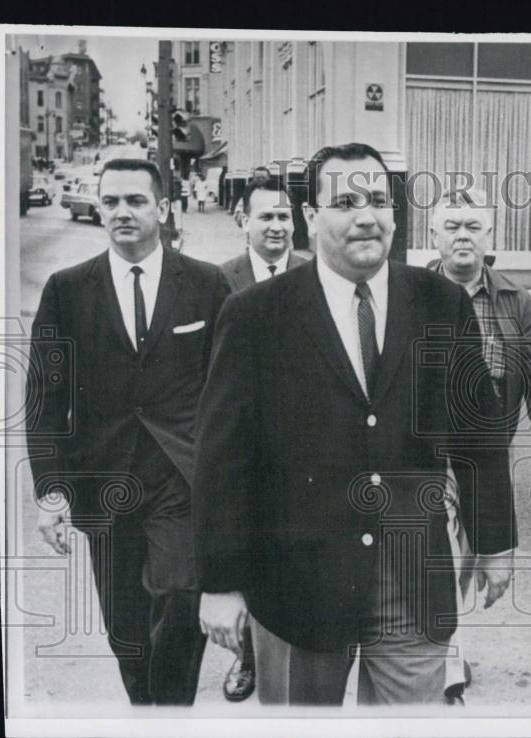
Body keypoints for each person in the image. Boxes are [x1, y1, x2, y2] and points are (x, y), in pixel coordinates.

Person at [192, 142, 516, 706]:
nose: (366, 215)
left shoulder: (441, 303)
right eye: (345, 201)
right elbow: (223, 457)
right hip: (296, 583)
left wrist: (494, 543)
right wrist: (220, 580)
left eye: (379, 200)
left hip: (410, 576)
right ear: (311, 218)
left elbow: (478, 436)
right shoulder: (255, 316)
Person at [26, 158, 230, 704]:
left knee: (181, 594)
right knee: (125, 625)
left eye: (135, 200)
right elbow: (46, 396)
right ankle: (147, 707)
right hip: (104, 480)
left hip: (180, 479)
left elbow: (229, 392)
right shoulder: (67, 290)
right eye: (110, 201)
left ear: (163, 209)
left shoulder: (207, 285)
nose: (121, 212)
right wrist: (50, 491)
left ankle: (168, 712)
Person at [427, 185, 531, 703]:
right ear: (432, 236)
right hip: (425, 452)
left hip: (486, 449)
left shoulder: (514, 300)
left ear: (491, 236)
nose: (463, 235)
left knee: (470, 557)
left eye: (473, 226)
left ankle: (443, 643)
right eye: (452, 226)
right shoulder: (411, 291)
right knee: (436, 548)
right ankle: (444, 657)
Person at [215, 175, 308, 702]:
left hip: (303, 448)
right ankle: (247, 659)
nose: (275, 225)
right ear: (242, 221)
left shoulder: (318, 274)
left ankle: (291, 659)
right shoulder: (218, 280)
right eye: (265, 216)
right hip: (245, 446)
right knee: (245, 556)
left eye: (283, 215)